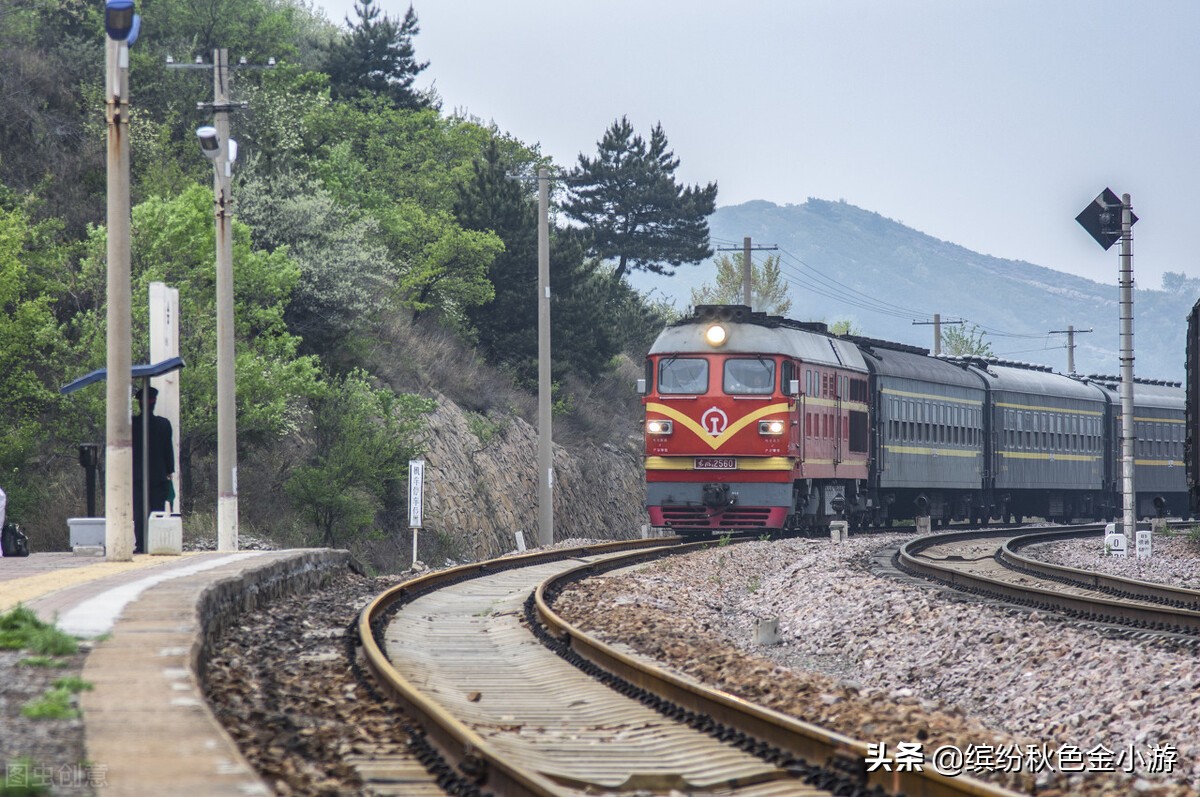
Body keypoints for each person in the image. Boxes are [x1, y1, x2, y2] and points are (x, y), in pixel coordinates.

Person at [132, 387, 174, 554]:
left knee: (139, 511)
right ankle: (156, 542)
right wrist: (169, 470)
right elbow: (168, 451)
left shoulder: (132, 424)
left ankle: (141, 544)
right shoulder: (164, 424)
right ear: (154, 402)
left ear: (140, 403)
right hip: (158, 476)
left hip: (137, 476)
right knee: (157, 511)